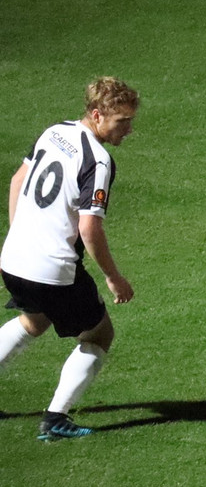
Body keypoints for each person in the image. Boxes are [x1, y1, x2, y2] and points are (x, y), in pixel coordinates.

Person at [0, 77, 138, 440]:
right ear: (97, 115)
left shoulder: (54, 131)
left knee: (34, 320)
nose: (128, 129)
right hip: (51, 267)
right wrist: (113, 277)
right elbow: (90, 228)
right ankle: (55, 419)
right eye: (121, 121)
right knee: (100, 333)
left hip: (13, 258)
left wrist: (21, 235)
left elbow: (18, 180)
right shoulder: (99, 160)